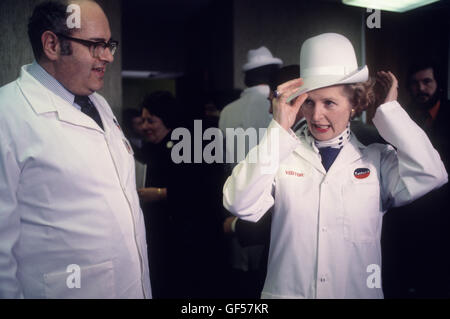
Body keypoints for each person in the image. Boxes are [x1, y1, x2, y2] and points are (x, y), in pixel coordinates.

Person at [222, 33, 447, 299]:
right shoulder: (278, 155)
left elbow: (432, 173)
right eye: (308, 102)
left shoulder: (377, 159)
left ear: (354, 104)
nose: (316, 116)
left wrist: (391, 112)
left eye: (329, 102)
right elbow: (238, 202)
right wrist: (278, 130)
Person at [0, 0, 151, 298]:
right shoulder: (7, 114)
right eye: (96, 45)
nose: (107, 56)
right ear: (52, 45)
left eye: (110, 45)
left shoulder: (99, 104)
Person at [138, 91, 226, 298]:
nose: (144, 127)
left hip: (193, 244)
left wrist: (161, 194)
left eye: (151, 120)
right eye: (142, 121)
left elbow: (207, 189)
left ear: (167, 119)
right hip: (164, 241)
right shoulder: (152, 149)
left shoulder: (191, 145)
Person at [381, 59, 450, 298]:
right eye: (415, 83)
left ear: (438, 83)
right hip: (409, 213)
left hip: (444, 213)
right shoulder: (401, 116)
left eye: (427, 82)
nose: (421, 88)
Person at [219, 46, 282, 164]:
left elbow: (223, 157)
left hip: (237, 179)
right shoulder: (280, 106)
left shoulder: (227, 111)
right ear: (273, 76)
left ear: (247, 78)